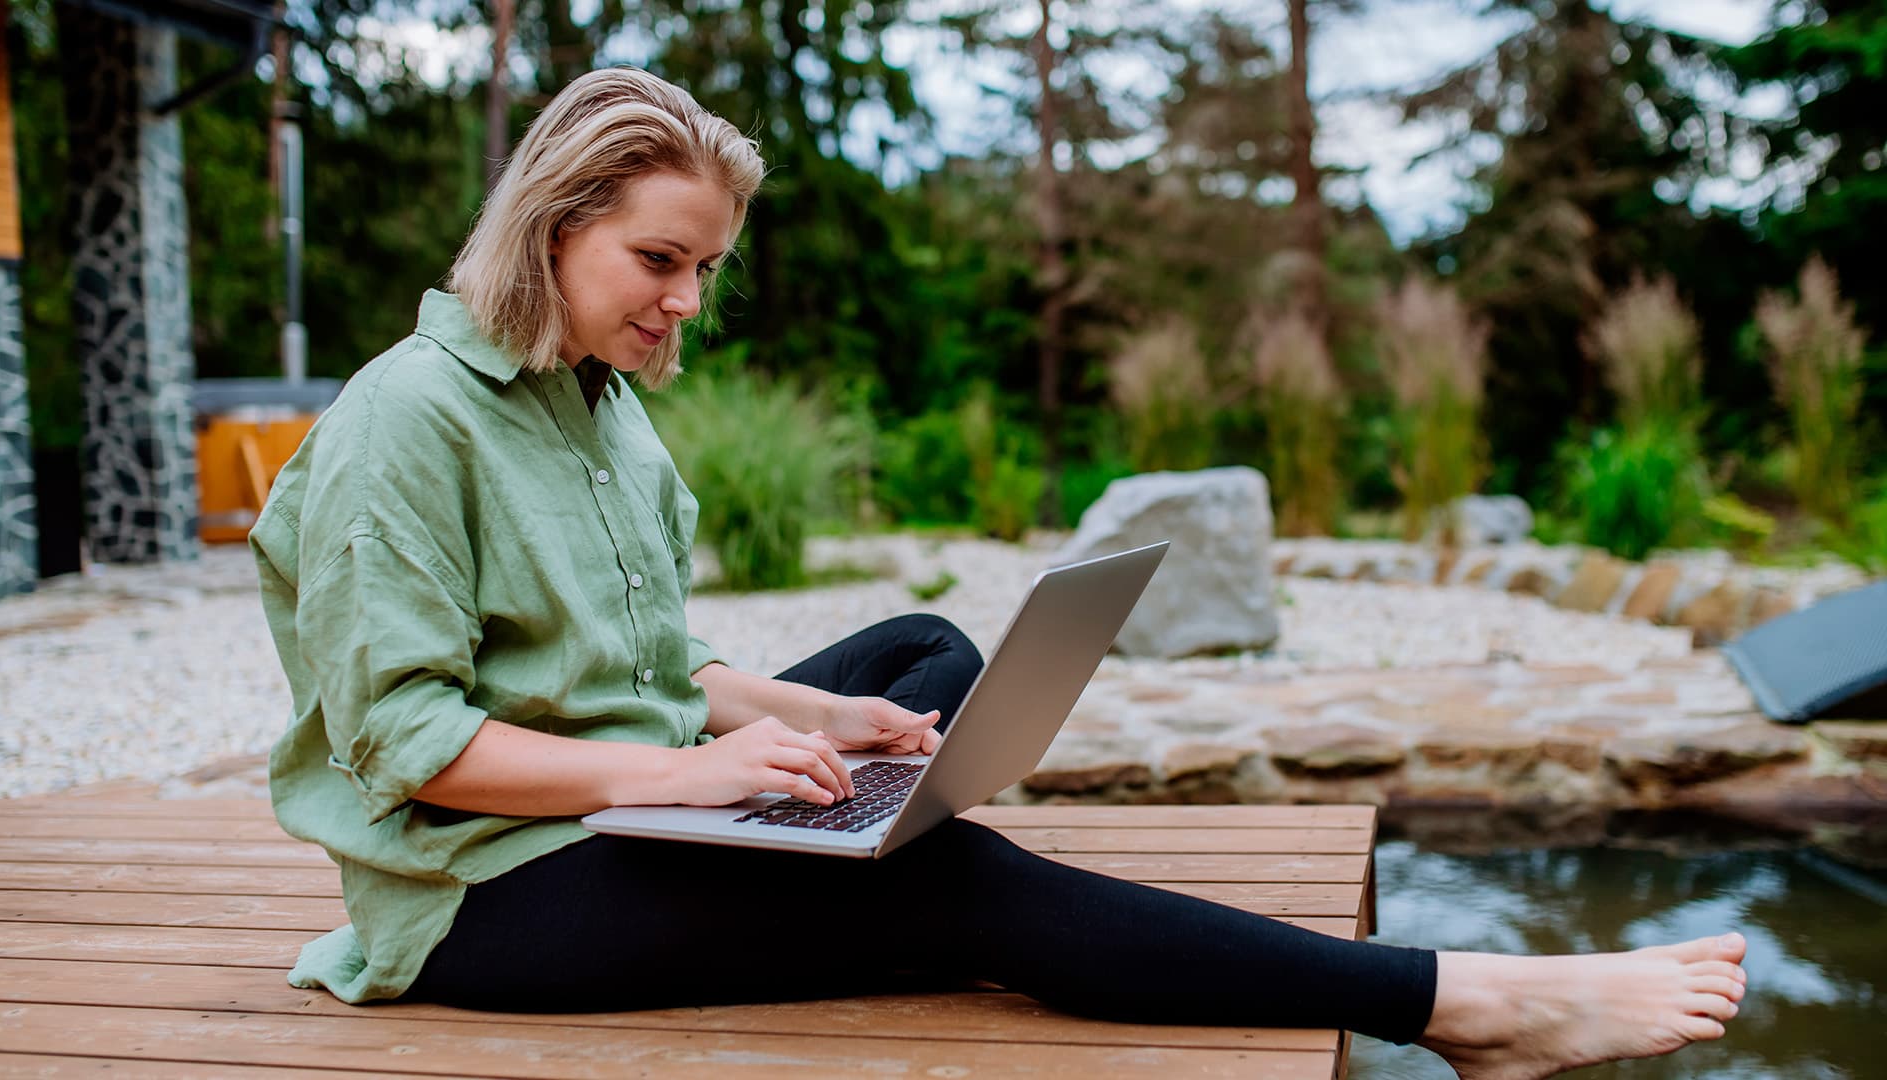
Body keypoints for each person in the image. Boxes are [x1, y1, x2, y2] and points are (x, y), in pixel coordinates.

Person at [251, 66, 1748, 1080]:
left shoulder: (604, 408)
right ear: (557, 223)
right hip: (477, 898)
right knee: (958, 882)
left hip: (613, 790)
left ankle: (857, 859)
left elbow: (634, 676)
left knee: (919, 659)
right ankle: (1474, 1005)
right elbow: (411, 749)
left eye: (707, 266)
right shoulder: (406, 421)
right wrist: (700, 783)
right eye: (661, 262)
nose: (687, 300)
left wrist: (803, 727)